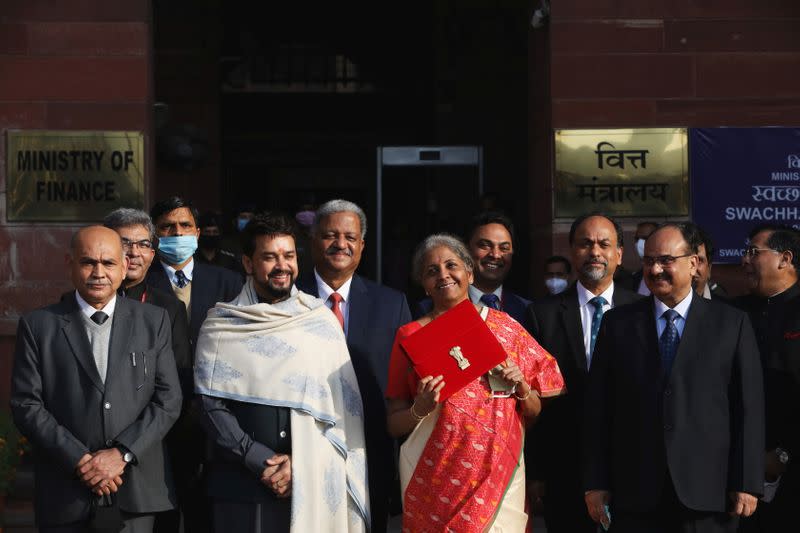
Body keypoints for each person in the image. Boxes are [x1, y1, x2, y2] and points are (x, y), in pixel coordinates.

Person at [584, 222, 765, 533]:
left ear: (693, 263)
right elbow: (600, 407)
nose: (655, 270)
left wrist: (747, 481)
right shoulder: (619, 323)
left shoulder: (730, 323)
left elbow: (747, 408)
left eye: (666, 260)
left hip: (709, 492)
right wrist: (595, 482)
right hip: (636, 492)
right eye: (649, 261)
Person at [195, 212, 369, 532]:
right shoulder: (221, 325)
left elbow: (341, 411)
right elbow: (210, 406)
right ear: (248, 263)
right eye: (269, 257)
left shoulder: (320, 322)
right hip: (240, 486)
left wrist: (299, 463)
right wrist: (258, 459)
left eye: (288, 256)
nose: (282, 265)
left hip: (313, 480)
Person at [386, 233, 565, 532]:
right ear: (424, 285)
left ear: (469, 272)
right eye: (432, 271)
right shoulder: (411, 337)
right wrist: (421, 408)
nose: (443, 275)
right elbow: (393, 423)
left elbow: (534, 411)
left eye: (451, 265)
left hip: (501, 477)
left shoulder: (506, 327)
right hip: (436, 482)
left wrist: (522, 387)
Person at [10, 226, 182, 532]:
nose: (98, 272)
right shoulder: (39, 325)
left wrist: (121, 453)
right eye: (88, 262)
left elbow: (168, 399)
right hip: (65, 489)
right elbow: (26, 404)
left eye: (108, 263)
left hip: (135, 489)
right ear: (71, 264)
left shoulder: (153, 321)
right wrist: (81, 460)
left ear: (124, 265)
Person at [295, 199, 411, 532]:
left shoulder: (392, 303)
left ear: (362, 245)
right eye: (330, 235)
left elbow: (403, 386)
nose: (340, 244)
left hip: (370, 452)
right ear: (313, 240)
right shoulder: (287, 297)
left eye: (350, 236)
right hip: (304, 449)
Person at [526, 213, 642, 533]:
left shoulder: (642, 311)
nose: (595, 252)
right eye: (585, 244)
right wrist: (535, 472)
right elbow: (531, 399)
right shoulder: (542, 314)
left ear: (620, 254)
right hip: (564, 469)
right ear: (572, 250)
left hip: (630, 468)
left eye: (605, 244)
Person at [103, 207, 198, 533]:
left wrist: (131, 445)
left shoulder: (167, 307)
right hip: (94, 453)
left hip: (153, 453)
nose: (134, 253)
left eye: (144, 244)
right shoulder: (82, 304)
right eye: (124, 243)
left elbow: (177, 386)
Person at [734, 224, 800, 533]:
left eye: (753, 253)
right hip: (739, 472)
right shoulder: (733, 313)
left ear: (784, 259)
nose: (744, 260)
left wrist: (783, 454)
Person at [146, 196, 243, 349]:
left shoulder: (228, 281)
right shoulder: (142, 282)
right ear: (153, 235)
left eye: (185, 225)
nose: (178, 232)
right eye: (167, 226)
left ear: (197, 234)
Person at [415, 211, 533, 331]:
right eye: (485, 245)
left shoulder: (527, 309)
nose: (495, 255)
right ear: (466, 250)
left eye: (504, 248)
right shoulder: (426, 309)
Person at [692, 223, 728, 299]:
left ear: (709, 269)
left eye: (699, 260)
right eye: (686, 260)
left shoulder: (723, 304)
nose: (693, 267)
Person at [627, 220, 659, 295]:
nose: (639, 243)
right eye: (637, 239)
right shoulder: (633, 279)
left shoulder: (667, 275)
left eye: (645, 238)